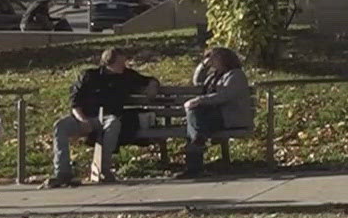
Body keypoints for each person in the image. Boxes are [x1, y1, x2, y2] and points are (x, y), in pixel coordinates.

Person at [46, 46, 158, 187]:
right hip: (84, 116)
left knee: (114, 123)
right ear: (108, 63)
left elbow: (149, 80)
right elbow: (75, 102)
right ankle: (62, 173)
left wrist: (153, 85)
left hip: (107, 118)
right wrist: (82, 120)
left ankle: (104, 170)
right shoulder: (89, 76)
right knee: (60, 126)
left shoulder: (126, 75)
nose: (124, 66)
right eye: (120, 63)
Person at [178, 47, 253, 178]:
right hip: (212, 117)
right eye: (210, 58)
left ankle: (193, 166)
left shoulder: (236, 75)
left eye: (215, 58)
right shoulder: (213, 76)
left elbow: (224, 96)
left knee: (194, 120)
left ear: (225, 59)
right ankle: (197, 150)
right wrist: (203, 65)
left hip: (230, 117)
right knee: (194, 119)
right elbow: (197, 81)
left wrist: (199, 100)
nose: (212, 61)